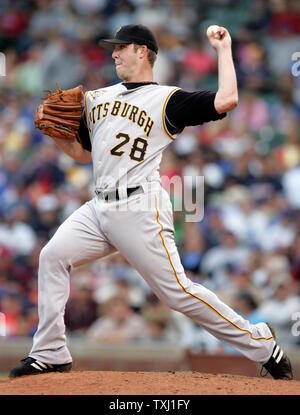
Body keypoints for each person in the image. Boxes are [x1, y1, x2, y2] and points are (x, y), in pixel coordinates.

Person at [9, 24, 292, 380]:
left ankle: (263, 344)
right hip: (99, 207)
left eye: (121, 48)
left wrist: (224, 50)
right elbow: (83, 154)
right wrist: (55, 136)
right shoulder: (96, 98)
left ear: (143, 52)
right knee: (52, 256)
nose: (113, 54)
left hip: (139, 207)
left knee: (177, 294)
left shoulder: (167, 100)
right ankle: (50, 352)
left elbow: (226, 100)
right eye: (113, 49)